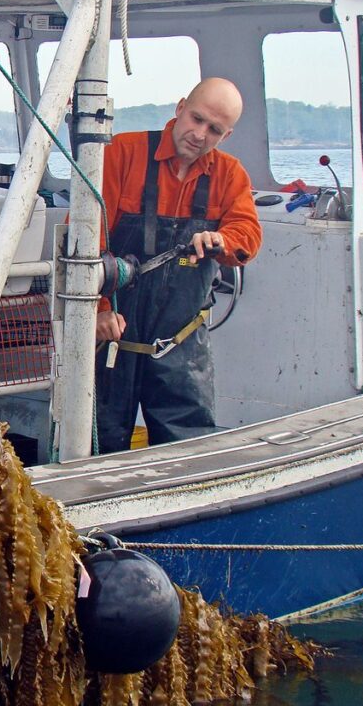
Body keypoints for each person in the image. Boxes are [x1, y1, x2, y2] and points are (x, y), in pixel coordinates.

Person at [95, 77, 262, 453]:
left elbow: (247, 232)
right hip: (111, 339)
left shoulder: (230, 174)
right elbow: (88, 238)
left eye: (214, 129)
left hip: (181, 344)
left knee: (188, 449)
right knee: (97, 440)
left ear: (227, 135)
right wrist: (99, 311)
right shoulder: (121, 153)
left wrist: (222, 241)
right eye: (197, 119)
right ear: (180, 106)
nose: (200, 134)